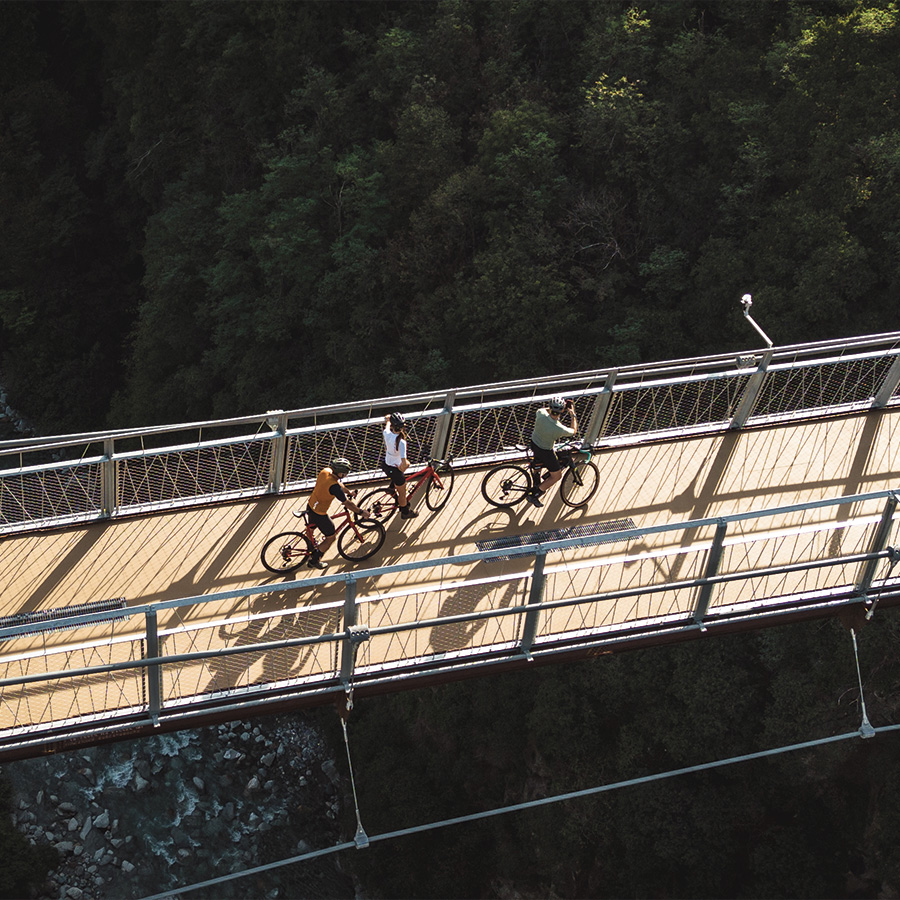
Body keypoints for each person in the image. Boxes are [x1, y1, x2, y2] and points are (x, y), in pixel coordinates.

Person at [293, 458, 366, 568]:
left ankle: (310, 547)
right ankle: (314, 560)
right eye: (345, 473)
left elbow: (338, 484)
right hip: (320, 513)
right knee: (331, 538)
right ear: (340, 472)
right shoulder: (334, 487)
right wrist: (361, 512)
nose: (346, 475)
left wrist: (348, 492)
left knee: (311, 528)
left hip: (311, 505)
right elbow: (347, 503)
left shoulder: (326, 471)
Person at [526, 396, 578, 507]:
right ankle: (535, 494)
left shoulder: (540, 414)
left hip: (534, 443)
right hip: (545, 450)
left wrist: (552, 408)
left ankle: (536, 479)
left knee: (538, 461)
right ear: (562, 411)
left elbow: (545, 410)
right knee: (556, 476)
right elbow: (573, 431)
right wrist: (572, 414)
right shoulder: (559, 428)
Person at [382, 412, 418, 519]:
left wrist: (388, 420)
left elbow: (387, 426)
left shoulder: (386, 434)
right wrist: (408, 464)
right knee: (402, 494)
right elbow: (404, 462)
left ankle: (391, 488)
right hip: (395, 469)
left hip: (386, 465)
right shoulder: (401, 442)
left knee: (396, 477)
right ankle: (405, 512)